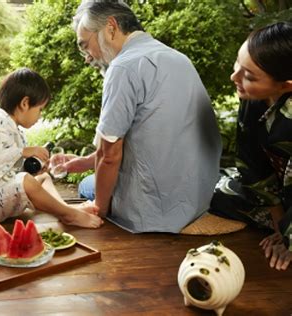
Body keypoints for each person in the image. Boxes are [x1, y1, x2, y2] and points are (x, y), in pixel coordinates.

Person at [68, 0, 222, 233]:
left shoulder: (123, 67)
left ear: (110, 27)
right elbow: (153, 136)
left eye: (85, 45)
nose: (87, 57)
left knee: (88, 187)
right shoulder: (177, 58)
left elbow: (110, 156)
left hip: (154, 211)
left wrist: (99, 208)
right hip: (198, 199)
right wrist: (85, 162)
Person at [0, 68, 103, 229]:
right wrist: (23, 152)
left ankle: (65, 210)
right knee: (26, 181)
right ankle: (70, 214)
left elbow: (9, 172)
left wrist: (35, 170)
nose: (40, 116)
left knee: (43, 178)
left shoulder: (14, 129)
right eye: (40, 109)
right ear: (25, 103)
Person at [209, 22, 292, 271]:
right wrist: (279, 226)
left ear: (286, 86)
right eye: (238, 64)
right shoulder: (252, 96)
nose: (234, 77)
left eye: (249, 76)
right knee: (214, 192)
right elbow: (250, 160)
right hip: (280, 190)